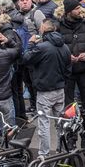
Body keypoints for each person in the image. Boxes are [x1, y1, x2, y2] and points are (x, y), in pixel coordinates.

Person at [22, 19, 71, 157]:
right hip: (60, 89)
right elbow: (68, 69)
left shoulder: (42, 47)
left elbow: (25, 58)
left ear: (43, 29)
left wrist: (30, 43)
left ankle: (44, 154)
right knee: (60, 123)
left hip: (45, 91)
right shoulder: (65, 47)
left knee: (44, 124)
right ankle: (63, 150)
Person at [56, 0, 85, 109]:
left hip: (84, 69)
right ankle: (70, 125)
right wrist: (66, 56)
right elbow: (55, 47)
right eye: (77, 8)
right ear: (69, 11)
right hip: (67, 71)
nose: (80, 10)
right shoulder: (58, 26)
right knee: (68, 104)